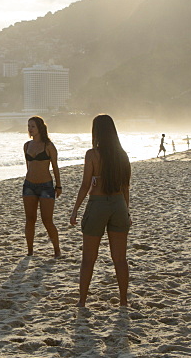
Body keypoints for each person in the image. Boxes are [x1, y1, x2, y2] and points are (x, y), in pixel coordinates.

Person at [70, 114, 131, 307]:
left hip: (97, 204)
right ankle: (123, 301)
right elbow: (125, 187)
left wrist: (75, 210)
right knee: (120, 258)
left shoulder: (92, 154)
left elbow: (85, 185)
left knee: (88, 258)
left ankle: (82, 301)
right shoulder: (122, 155)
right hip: (118, 204)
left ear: (96, 132)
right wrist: (127, 211)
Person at [23, 116, 62, 257]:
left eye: (32, 126)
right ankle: (30, 251)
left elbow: (55, 167)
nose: (30, 129)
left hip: (46, 186)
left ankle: (57, 249)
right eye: (28, 126)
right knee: (30, 219)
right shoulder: (27, 145)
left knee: (47, 219)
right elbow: (29, 166)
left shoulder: (48, 146)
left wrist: (58, 186)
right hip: (29, 185)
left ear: (40, 128)